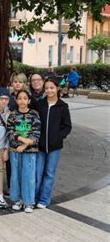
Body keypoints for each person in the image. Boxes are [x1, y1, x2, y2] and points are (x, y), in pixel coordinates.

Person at [35, 78, 72, 209]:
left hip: (54, 147)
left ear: (57, 88)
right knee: (38, 173)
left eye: (51, 88)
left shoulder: (63, 106)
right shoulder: (40, 104)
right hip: (40, 146)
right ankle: (35, 198)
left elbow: (67, 126)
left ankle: (44, 200)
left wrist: (58, 137)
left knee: (49, 173)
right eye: (46, 88)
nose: (49, 90)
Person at [7, 90, 41, 213]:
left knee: (29, 176)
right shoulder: (12, 115)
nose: (22, 100)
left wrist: (26, 145)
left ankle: (28, 202)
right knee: (15, 175)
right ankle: (17, 200)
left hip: (30, 151)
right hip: (15, 151)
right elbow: (10, 132)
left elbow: (36, 133)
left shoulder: (34, 114)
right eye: (19, 98)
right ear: (16, 101)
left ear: (29, 101)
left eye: (25, 98)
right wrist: (21, 141)